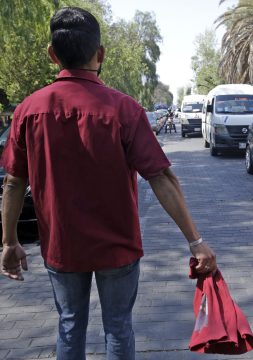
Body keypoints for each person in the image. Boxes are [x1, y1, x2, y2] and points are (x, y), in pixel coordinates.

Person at [0, 7, 216, 360]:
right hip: (117, 245)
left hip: (62, 245)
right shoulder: (123, 109)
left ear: (53, 55)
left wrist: (8, 242)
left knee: (69, 325)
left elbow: (12, 183)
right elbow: (160, 176)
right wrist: (196, 241)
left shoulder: (29, 110)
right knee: (118, 327)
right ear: (99, 55)